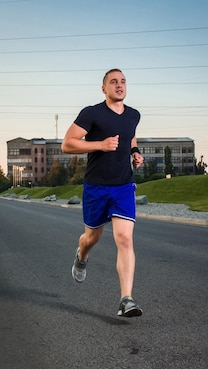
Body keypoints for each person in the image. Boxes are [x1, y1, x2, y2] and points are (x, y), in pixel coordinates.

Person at [61, 68, 145, 317]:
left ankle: (126, 299)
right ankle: (81, 255)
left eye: (123, 82)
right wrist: (100, 144)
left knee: (125, 239)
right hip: (96, 186)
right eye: (113, 82)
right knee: (91, 238)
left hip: (123, 186)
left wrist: (134, 153)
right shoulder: (92, 113)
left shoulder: (134, 115)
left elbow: (130, 137)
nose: (119, 86)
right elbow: (67, 143)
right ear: (104, 88)